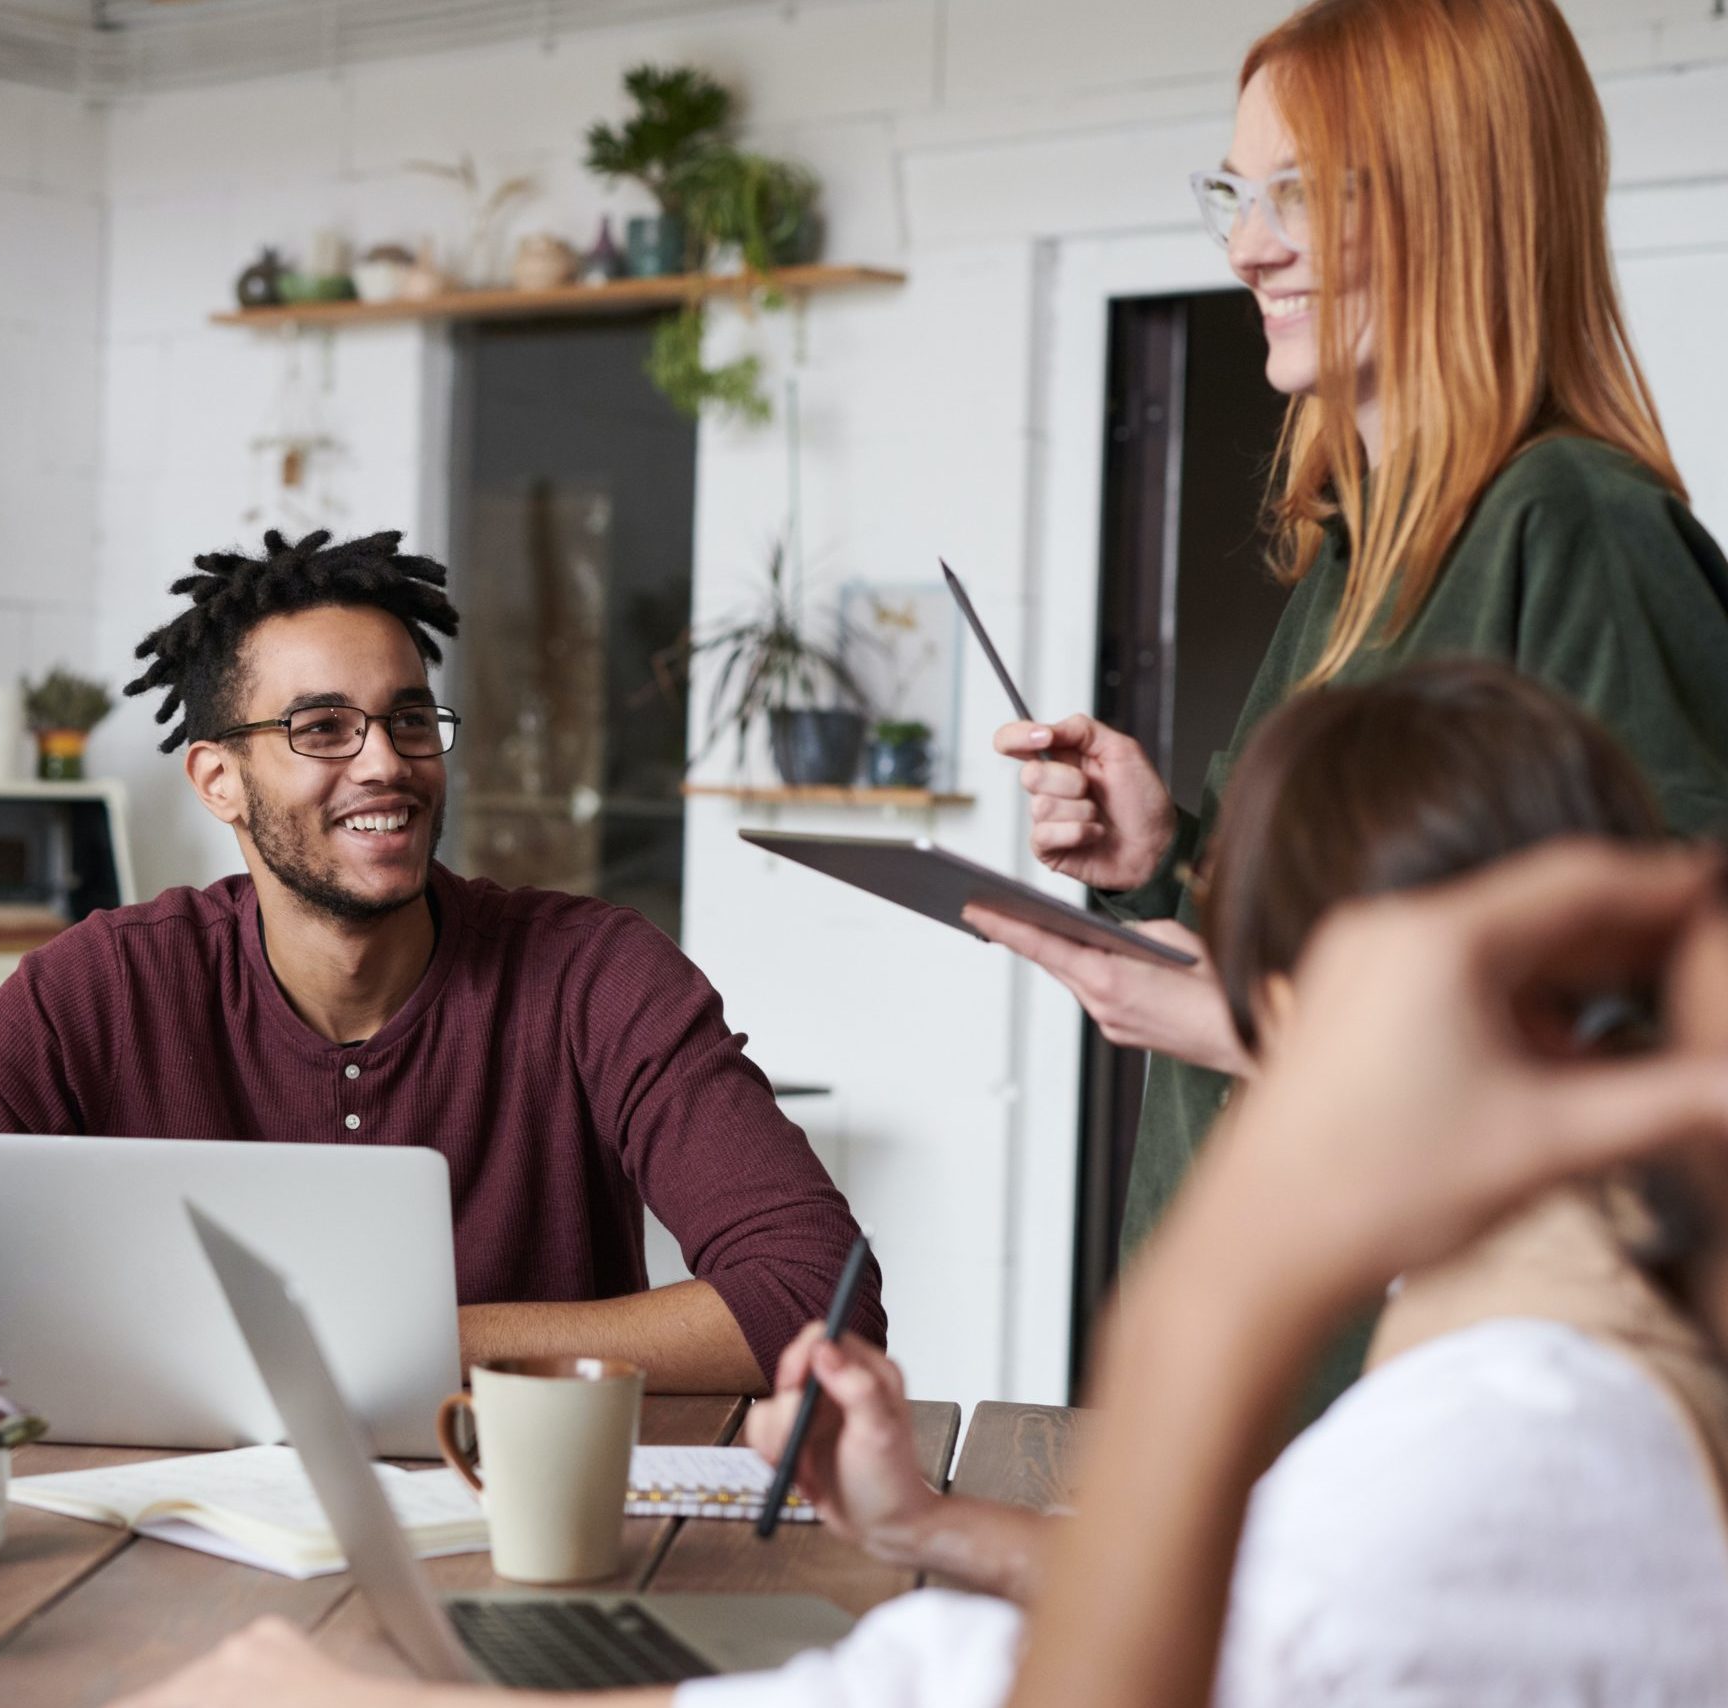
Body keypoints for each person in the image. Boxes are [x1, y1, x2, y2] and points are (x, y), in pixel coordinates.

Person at [115, 662, 1728, 1707]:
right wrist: (937, 1522)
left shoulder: (1526, 1421)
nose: (377, 763)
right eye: (317, 727)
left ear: (1302, 1001)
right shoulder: (1543, 1353)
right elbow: (1281, 1602)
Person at [971, 0, 1728, 1410]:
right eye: (1237, 194)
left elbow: (1665, 1050)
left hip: (1430, 1414)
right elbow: (1354, 932)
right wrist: (1167, 860)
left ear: (1463, 202)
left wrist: (1234, 1025)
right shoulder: (1358, 547)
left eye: (1304, 194)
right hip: (1249, 1378)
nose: (1250, 245)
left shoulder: (1575, 530)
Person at [0, 529, 883, 1390]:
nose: (383, 762)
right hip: (174, 1536)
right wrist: (171, 1333)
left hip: (511, 1527)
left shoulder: (593, 973)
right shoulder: (109, 983)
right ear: (217, 780)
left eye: (409, 718)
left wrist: (366, 1340)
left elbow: (812, 1295)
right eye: (321, 728)